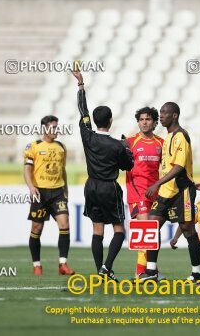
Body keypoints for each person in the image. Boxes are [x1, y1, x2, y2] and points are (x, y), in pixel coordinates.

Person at [72, 70, 134, 282]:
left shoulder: (87, 136)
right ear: (111, 120)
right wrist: (127, 149)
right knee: (119, 230)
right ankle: (106, 267)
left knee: (97, 230)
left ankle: (101, 271)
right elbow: (129, 166)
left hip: (91, 186)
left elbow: (83, 111)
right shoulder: (117, 145)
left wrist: (81, 86)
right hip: (109, 187)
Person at [139, 102, 200, 283]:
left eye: (165, 113)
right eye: (161, 113)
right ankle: (151, 271)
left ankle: (196, 274)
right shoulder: (168, 137)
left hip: (181, 191)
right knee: (151, 226)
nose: (161, 116)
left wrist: (156, 184)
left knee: (187, 229)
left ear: (175, 115)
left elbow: (179, 166)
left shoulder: (180, 136)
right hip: (166, 192)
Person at [24, 115, 75, 276]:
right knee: (37, 228)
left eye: (56, 127)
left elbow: (63, 169)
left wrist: (65, 188)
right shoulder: (33, 146)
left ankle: (63, 264)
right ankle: (37, 265)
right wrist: (31, 187)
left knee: (64, 223)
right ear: (44, 128)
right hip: (40, 192)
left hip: (58, 192)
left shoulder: (61, 147)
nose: (56, 130)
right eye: (53, 127)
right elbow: (26, 169)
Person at [124, 107, 165, 279]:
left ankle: (150, 269)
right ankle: (141, 271)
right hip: (137, 192)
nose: (144, 122)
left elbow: (169, 168)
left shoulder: (161, 143)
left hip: (155, 193)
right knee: (147, 228)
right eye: (141, 119)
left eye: (148, 119)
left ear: (155, 122)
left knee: (153, 231)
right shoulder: (130, 142)